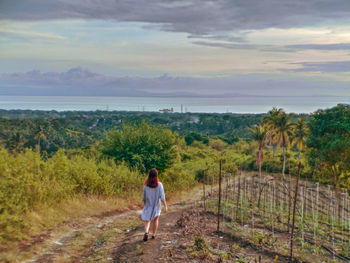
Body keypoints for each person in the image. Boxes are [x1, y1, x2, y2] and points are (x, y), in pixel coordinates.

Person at [141, 168, 168, 241]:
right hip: (156, 206)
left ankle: (146, 232)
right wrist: (165, 206)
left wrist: (144, 206)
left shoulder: (146, 185)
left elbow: (144, 197)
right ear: (156, 176)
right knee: (156, 220)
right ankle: (153, 235)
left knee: (147, 221)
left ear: (149, 176)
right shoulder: (159, 185)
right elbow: (162, 197)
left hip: (148, 205)